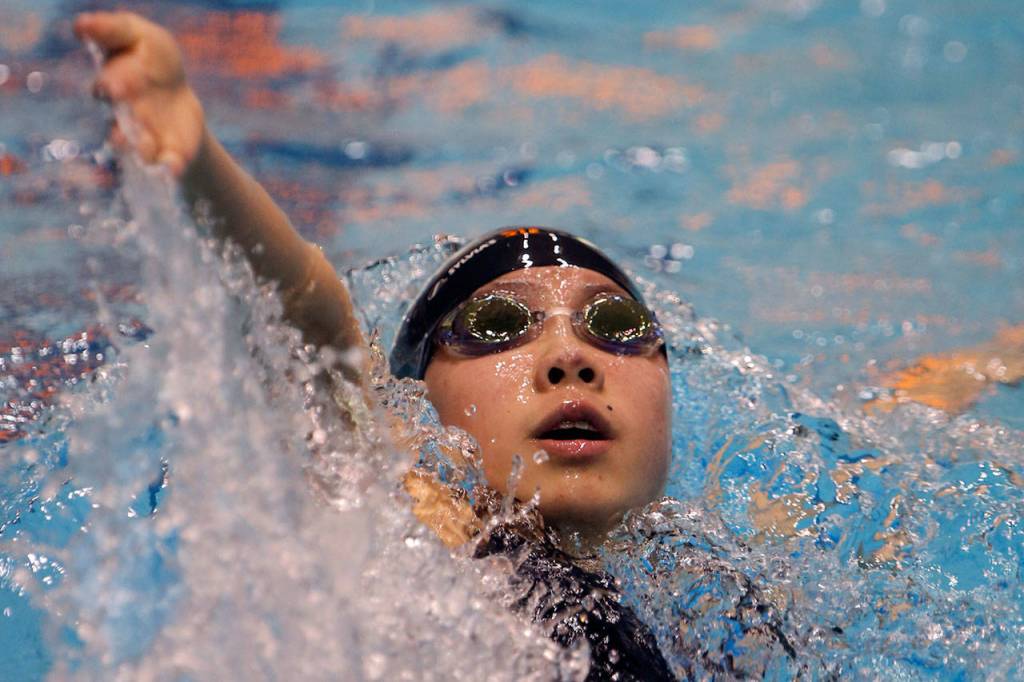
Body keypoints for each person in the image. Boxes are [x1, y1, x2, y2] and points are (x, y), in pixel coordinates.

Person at [73, 12, 792, 680]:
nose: (570, 358)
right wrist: (196, 158)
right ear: (415, 404)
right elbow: (303, 314)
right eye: (499, 326)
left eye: (614, 326)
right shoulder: (410, 523)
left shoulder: (726, 590)